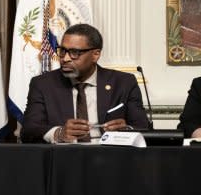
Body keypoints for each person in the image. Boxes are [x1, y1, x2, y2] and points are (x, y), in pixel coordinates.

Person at [20, 23, 149, 142]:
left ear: (95, 54)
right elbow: (28, 131)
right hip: (63, 160)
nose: (65, 58)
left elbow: (143, 128)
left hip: (110, 159)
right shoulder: (43, 84)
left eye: (75, 52)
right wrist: (59, 133)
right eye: (62, 51)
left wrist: (127, 131)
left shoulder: (124, 83)